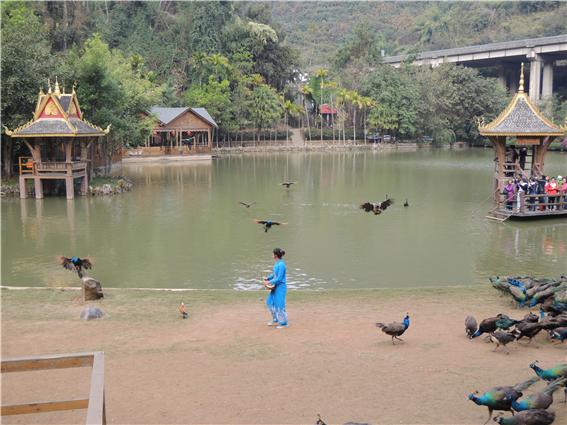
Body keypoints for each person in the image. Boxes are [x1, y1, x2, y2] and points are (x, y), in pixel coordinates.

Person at [263, 248, 288, 329]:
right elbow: (274, 275)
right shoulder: (277, 263)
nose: (272, 255)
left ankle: (284, 323)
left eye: (273, 254)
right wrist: (268, 278)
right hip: (275, 287)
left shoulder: (282, 265)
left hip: (280, 287)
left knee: (280, 305)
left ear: (275, 255)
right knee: (269, 302)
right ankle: (276, 319)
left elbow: (279, 278)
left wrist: (269, 282)